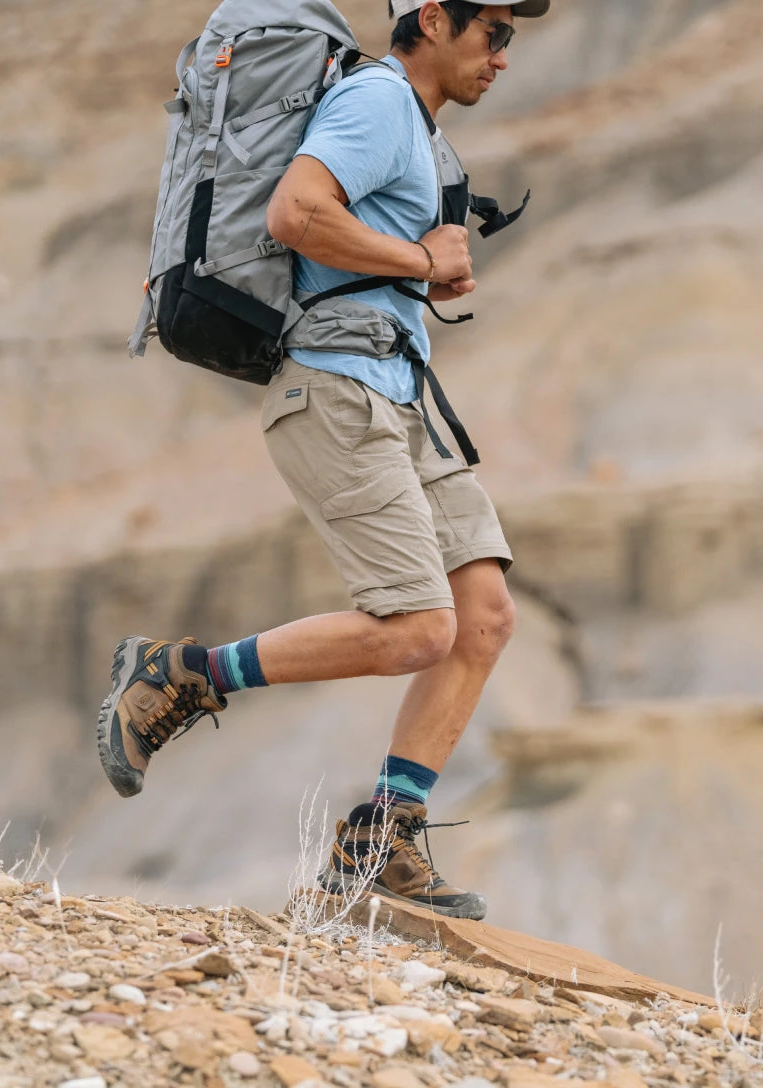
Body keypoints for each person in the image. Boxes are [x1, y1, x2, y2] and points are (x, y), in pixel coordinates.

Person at [97, 0, 549, 919]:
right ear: (433, 17)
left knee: (484, 614)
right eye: (494, 31)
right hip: (336, 396)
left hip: (399, 390)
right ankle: (180, 674)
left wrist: (421, 265)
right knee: (420, 629)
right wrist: (420, 261)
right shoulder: (380, 102)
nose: (505, 54)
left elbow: (363, 243)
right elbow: (297, 210)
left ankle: (384, 838)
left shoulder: (418, 130)